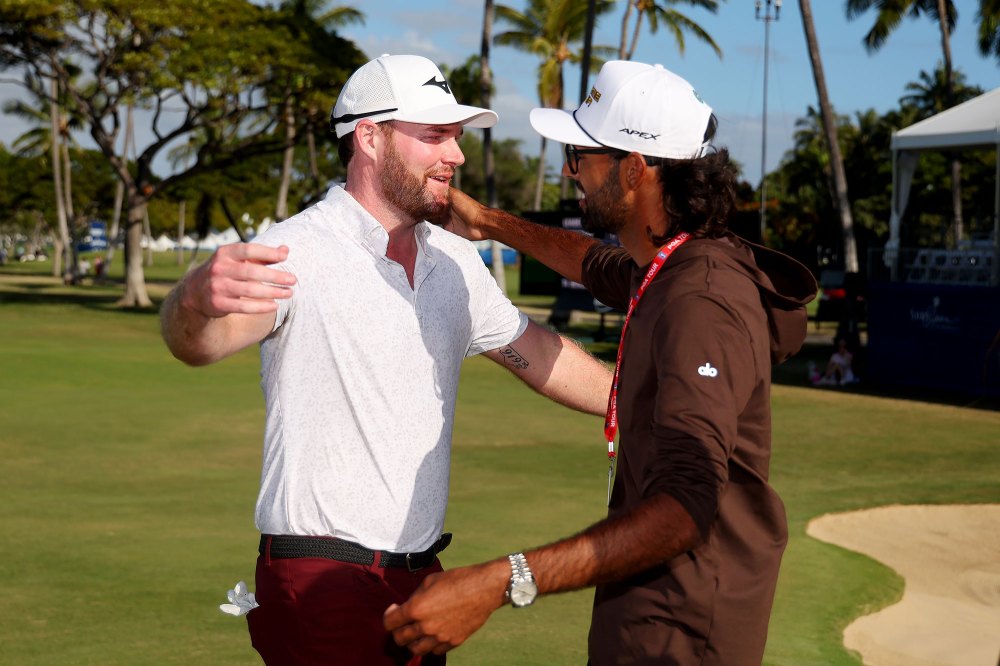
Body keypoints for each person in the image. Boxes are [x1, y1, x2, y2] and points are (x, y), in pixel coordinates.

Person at [159, 54, 611, 666]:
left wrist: (654, 407)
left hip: (421, 578)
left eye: (455, 136)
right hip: (321, 577)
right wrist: (190, 298)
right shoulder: (295, 250)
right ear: (369, 137)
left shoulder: (454, 263)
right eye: (433, 135)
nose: (455, 154)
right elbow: (198, 343)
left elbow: (541, 356)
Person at [383, 60, 818, 665]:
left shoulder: (702, 301)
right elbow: (594, 263)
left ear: (635, 169)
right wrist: (488, 223)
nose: (571, 172)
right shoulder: (675, 265)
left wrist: (499, 579)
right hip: (653, 621)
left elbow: (685, 510)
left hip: (684, 637)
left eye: (581, 156)